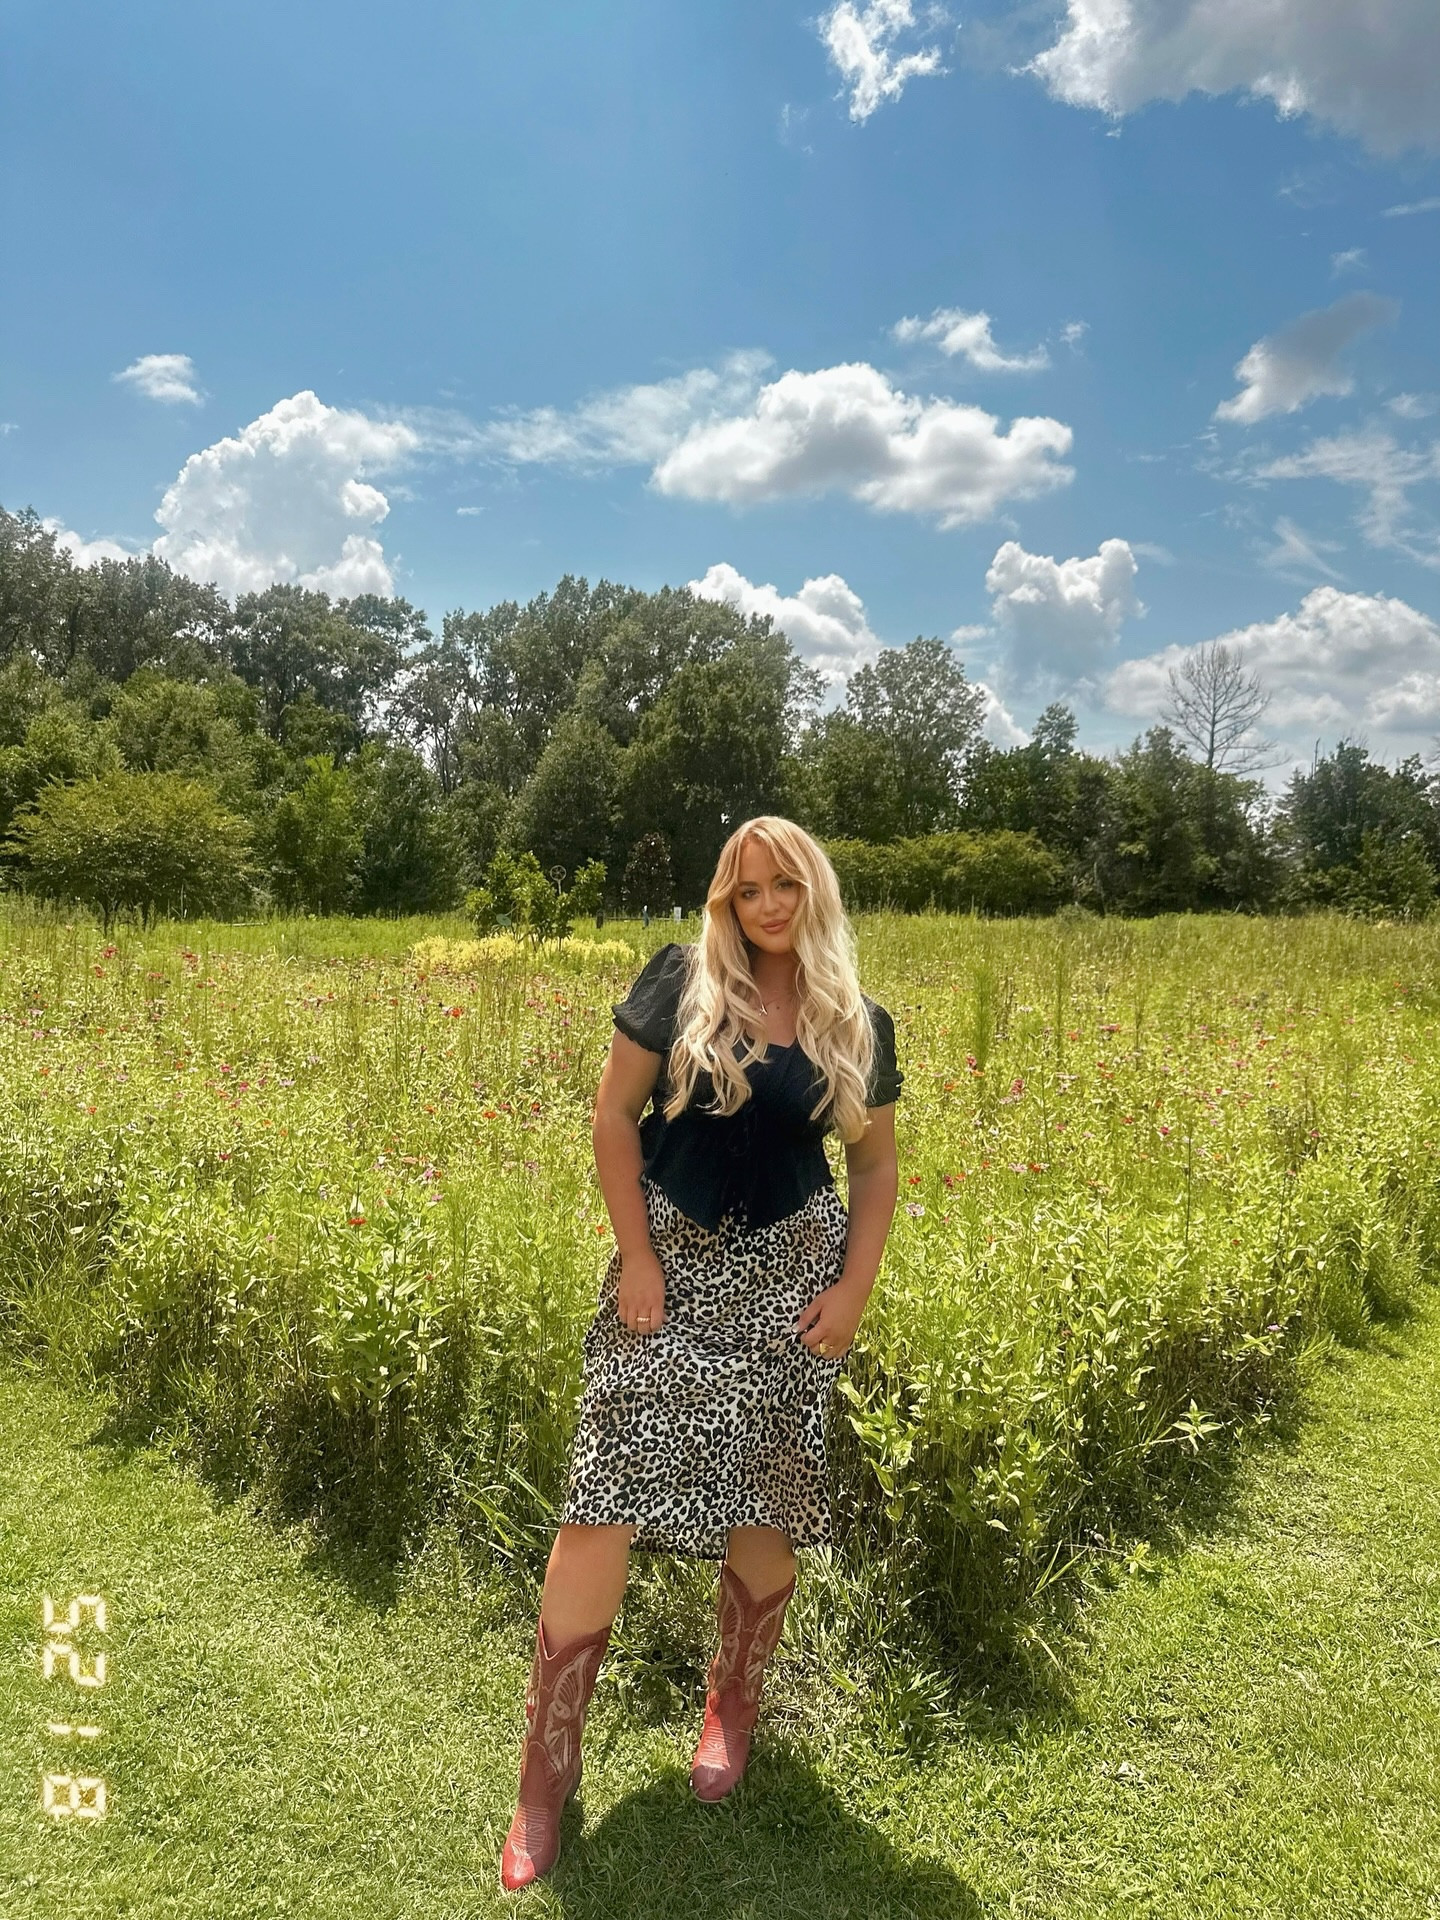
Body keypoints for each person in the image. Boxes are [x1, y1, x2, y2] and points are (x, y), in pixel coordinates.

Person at [500, 816, 903, 1891]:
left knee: (767, 1498)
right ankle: (545, 1777)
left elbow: (873, 1168)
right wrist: (636, 1255)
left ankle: (732, 1706)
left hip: (791, 1284)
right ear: (725, 898)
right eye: (746, 889)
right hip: (666, 1274)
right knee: (599, 1500)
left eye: (786, 886)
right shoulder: (680, 983)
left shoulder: (856, 1019)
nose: (767, 906)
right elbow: (612, 1117)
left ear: (815, 892)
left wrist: (853, 1289)